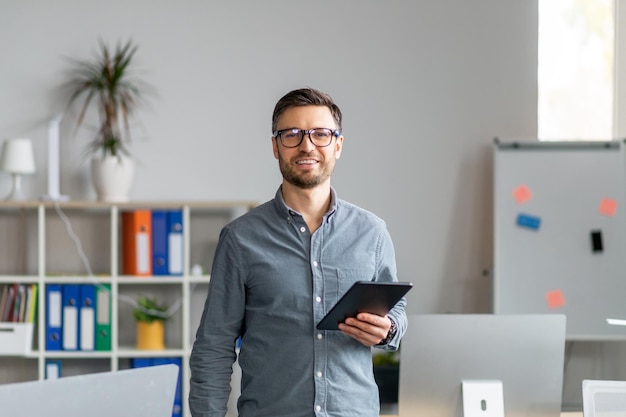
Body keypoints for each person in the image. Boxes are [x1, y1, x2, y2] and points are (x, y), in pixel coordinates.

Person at [189, 87, 407, 417]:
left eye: (320, 134)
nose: (307, 145)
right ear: (275, 147)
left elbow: (397, 311)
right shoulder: (240, 238)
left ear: (338, 145)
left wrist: (388, 329)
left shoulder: (372, 233)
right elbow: (213, 346)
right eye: (292, 134)